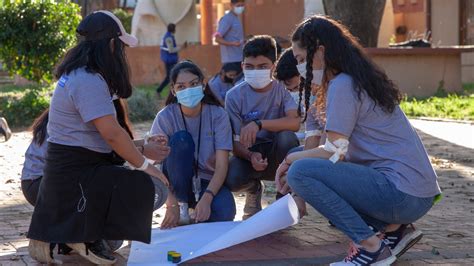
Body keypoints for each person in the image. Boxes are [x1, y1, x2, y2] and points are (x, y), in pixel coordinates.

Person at [276, 16, 441, 266]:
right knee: (306, 168)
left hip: (402, 194)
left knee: (300, 171)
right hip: (416, 194)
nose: (301, 68)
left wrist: (289, 160)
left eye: (301, 60)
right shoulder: (352, 81)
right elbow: (328, 152)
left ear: (320, 51)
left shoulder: (343, 84)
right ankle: (395, 231)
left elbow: (334, 151)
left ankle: (371, 248)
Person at [27, 11, 170, 265]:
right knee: (145, 186)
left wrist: (141, 147)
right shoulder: (87, 80)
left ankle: (64, 233)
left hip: (74, 169)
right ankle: (78, 234)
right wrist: (148, 167)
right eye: (122, 46)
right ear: (112, 44)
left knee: (115, 236)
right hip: (75, 173)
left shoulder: (83, 75)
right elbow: (113, 135)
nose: (123, 54)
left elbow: (99, 138)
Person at [150, 60, 236, 228]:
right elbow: (154, 166)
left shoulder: (218, 115)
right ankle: (182, 207)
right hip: (174, 183)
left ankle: (194, 211)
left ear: (203, 85)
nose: (188, 90)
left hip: (206, 182)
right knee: (181, 139)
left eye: (194, 84)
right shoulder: (165, 117)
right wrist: (171, 201)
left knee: (225, 213)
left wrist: (207, 198)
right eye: (181, 86)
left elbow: (221, 166)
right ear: (173, 91)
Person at [225, 35, 300, 219]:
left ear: (273, 67)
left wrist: (259, 124)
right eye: (249, 67)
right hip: (248, 155)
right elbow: (232, 142)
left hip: (278, 154)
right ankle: (254, 188)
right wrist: (250, 155)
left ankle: (283, 198)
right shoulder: (234, 96)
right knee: (231, 179)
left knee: (287, 138)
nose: (255, 71)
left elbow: (295, 122)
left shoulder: (282, 89)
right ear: (242, 66)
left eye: (262, 66)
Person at [274, 48, 324, 150]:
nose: (296, 93)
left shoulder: (334, 92)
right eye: (290, 90)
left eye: (297, 88)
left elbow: (329, 146)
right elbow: (312, 138)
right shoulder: (310, 105)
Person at [157, 23, 187, 97]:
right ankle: (163, 92)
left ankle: (161, 91)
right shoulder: (168, 37)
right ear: (173, 29)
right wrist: (182, 47)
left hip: (170, 60)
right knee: (171, 77)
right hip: (169, 60)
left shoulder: (168, 36)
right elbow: (171, 50)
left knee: (171, 77)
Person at [215, 0, 245, 68]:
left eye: (242, 5)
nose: (240, 8)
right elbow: (217, 38)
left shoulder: (236, 18)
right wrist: (232, 43)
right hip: (231, 60)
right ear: (231, 5)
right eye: (238, 6)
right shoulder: (227, 19)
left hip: (239, 58)